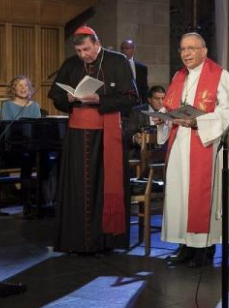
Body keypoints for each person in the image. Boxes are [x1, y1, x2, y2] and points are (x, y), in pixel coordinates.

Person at [48, 25, 137, 253]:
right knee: (77, 187)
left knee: (102, 184)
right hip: (77, 136)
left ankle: (105, 241)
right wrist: (67, 98)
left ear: (96, 44)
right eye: (78, 51)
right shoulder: (70, 64)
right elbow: (55, 96)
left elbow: (130, 98)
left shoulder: (117, 62)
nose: (82, 55)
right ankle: (75, 240)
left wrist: (100, 99)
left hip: (106, 134)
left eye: (86, 49)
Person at [158, 32, 229, 268]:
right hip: (179, 142)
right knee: (180, 196)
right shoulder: (179, 75)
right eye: (183, 49)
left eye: (191, 49)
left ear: (204, 51)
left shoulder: (219, 75)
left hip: (205, 144)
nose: (186, 54)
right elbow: (168, 106)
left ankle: (204, 250)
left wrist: (199, 122)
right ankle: (185, 246)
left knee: (201, 197)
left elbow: (228, 111)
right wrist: (160, 118)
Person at [0, 75, 41, 216]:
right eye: (20, 85)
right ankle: (26, 201)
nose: (24, 88)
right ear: (13, 88)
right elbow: (7, 130)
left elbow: (38, 130)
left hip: (31, 146)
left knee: (41, 157)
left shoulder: (35, 105)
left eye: (26, 85)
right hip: (13, 147)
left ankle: (36, 200)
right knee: (26, 157)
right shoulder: (7, 105)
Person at [126, 85, 166, 159]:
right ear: (149, 99)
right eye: (157, 99)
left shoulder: (168, 112)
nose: (161, 102)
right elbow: (128, 134)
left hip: (164, 152)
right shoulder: (137, 112)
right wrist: (135, 138)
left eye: (163, 98)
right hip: (141, 152)